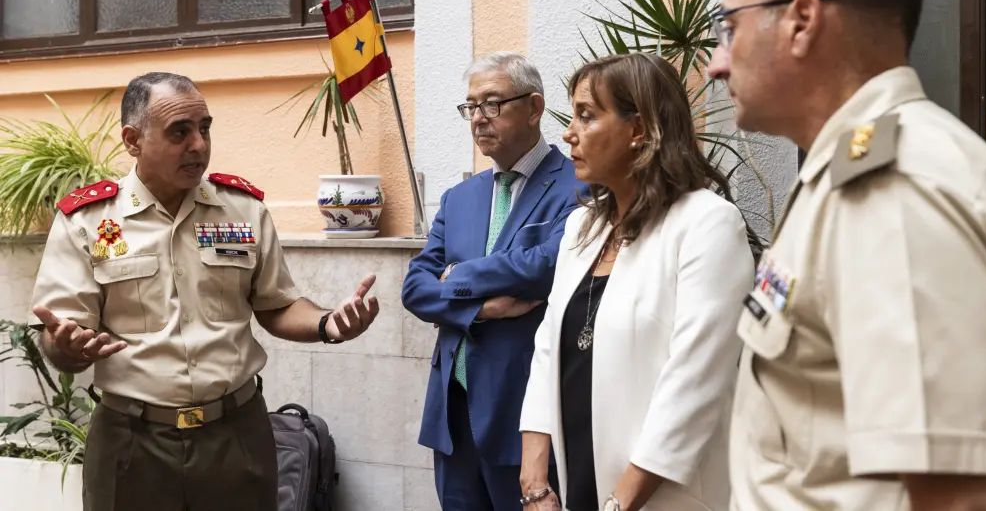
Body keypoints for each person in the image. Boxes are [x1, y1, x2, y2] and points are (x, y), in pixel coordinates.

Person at [708, 0, 986, 509]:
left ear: (802, 21)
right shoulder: (842, 176)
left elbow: (956, 492)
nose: (716, 64)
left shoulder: (890, 190)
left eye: (728, 28)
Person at [27, 72, 380, 511]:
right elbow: (62, 335)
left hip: (235, 435)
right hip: (132, 442)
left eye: (205, 128)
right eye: (180, 132)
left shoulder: (241, 209)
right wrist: (68, 348)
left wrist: (329, 323)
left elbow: (279, 305)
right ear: (133, 140)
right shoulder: (89, 221)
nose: (199, 144)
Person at [518, 53, 754, 511]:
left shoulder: (707, 224)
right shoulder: (582, 226)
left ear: (639, 130)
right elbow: (548, 348)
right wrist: (534, 483)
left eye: (587, 115)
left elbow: (694, 384)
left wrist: (619, 504)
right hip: (577, 484)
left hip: (661, 495)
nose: (569, 132)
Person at [401, 51, 585, 511]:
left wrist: (460, 275)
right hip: (453, 415)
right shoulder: (460, 197)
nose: (478, 119)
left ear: (535, 107)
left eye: (492, 104)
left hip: (523, 413)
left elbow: (547, 263)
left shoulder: (578, 184)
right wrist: (480, 306)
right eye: (470, 107)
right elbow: (415, 287)